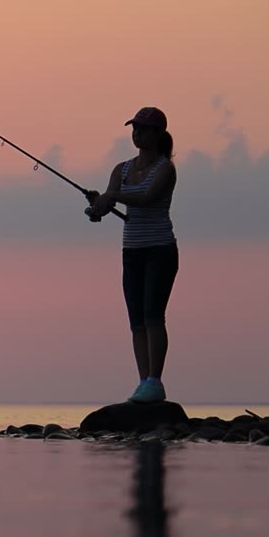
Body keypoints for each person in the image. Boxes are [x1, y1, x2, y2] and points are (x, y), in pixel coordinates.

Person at [86, 107, 178, 403]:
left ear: (158, 134)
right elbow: (104, 207)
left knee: (153, 316)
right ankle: (143, 383)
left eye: (143, 128)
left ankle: (155, 381)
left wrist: (112, 196)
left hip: (160, 250)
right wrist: (97, 208)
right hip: (132, 251)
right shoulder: (121, 169)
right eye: (134, 128)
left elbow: (147, 197)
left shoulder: (165, 168)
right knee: (136, 321)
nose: (136, 133)